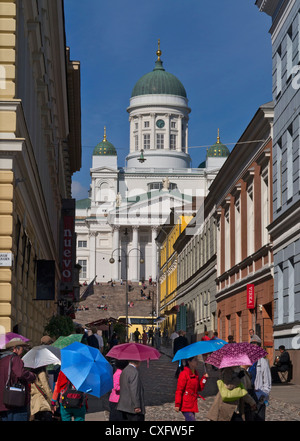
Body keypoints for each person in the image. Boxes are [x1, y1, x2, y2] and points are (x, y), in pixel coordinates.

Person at [0, 339, 36, 421]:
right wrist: (32, 376)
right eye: (22, 349)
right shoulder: (15, 359)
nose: (22, 352)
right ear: (15, 348)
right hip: (15, 400)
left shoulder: (2, 359)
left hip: (3, 403)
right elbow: (20, 374)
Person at [246, 335, 271, 421]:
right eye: (252, 345)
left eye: (256, 345)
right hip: (248, 395)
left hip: (259, 395)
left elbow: (267, 381)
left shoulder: (263, 362)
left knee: (259, 418)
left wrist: (263, 395)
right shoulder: (246, 361)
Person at [175, 356, 208, 421]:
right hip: (185, 404)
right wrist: (177, 404)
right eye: (195, 360)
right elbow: (179, 390)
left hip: (192, 403)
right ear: (189, 362)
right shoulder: (184, 374)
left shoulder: (195, 373)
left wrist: (204, 378)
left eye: (197, 360)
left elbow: (199, 388)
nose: (197, 362)